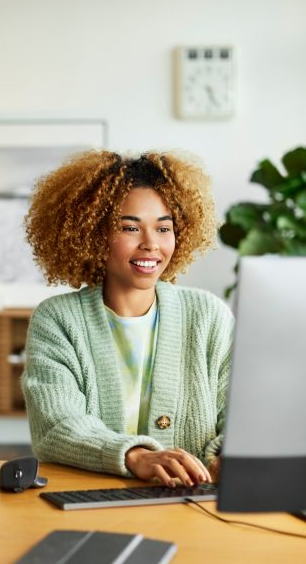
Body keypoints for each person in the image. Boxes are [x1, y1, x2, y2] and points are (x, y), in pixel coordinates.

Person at [21, 150, 233, 488]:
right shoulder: (58, 320)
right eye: (130, 227)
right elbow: (57, 425)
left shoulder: (208, 316)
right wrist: (137, 456)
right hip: (90, 499)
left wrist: (229, 457)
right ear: (92, 234)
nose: (151, 244)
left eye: (164, 228)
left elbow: (238, 417)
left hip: (195, 504)